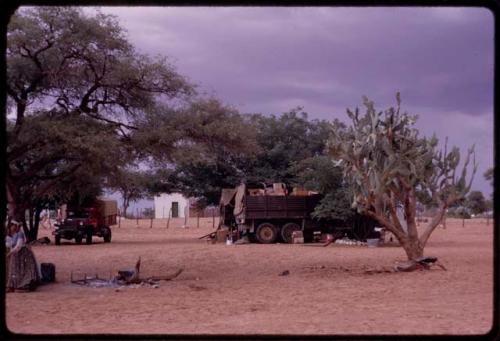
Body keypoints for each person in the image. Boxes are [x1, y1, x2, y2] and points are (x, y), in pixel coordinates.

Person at [5, 221, 40, 292]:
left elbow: (18, 246)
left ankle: (22, 285)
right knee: (14, 270)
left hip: (23, 255)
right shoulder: (13, 234)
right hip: (16, 254)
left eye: (12, 226)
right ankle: (12, 285)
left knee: (21, 270)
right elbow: (10, 244)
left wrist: (10, 253)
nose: (11, 228)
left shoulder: (20, 234)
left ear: (16, 226)